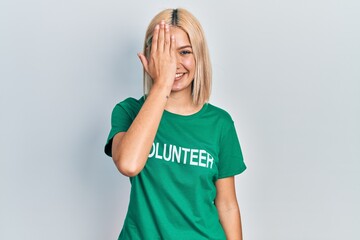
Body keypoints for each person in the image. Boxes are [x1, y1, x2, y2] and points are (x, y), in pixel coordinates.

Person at [104, 8, 246, 240]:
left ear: (198, 56)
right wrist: (162, 84)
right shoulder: (129, 112)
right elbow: (129, 164)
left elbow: (228, 205)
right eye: (166, 52)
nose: (175, 64)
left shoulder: (220, 124)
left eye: (184, 52)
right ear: (152, 56)